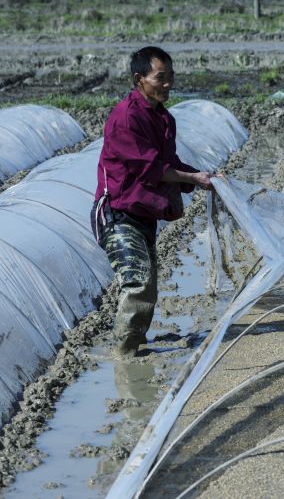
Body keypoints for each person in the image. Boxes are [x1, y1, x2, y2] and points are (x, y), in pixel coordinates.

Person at [91, 46, 216, 357]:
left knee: (148, 287)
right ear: (139, 79)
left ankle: (135, 346)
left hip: (143, 213)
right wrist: (192, 179)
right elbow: (150, 167)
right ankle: (123, 357)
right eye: (161, 78)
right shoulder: (125, 118)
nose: (168, 84)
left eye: (171, 77)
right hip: (117, 212)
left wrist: (202, 176)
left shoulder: (164, 119)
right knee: (137, 282)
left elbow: (169, 161)